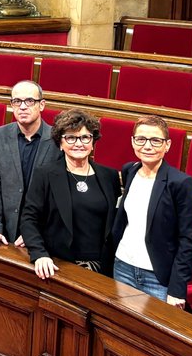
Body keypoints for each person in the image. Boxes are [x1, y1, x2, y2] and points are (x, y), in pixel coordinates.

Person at [112, 115, 192, 307]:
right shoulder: (130, 170)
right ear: (133, 141)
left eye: (156, 140)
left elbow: (189, 240)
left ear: (167, 145)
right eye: (141, 139)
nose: (147, 146)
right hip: (122, 266)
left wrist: (177, 289)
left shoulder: (181, 183)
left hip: (157, 276)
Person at [20, 109, 120, 279]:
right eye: (71, 137)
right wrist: (39, 254)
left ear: (93, 141)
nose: (79, 143)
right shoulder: (46, 174)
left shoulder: (109, 176)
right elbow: (29, 218)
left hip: (102, 270)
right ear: (60, 143)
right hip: (59, 265)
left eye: (85, 137)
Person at [0, 81, 60, 248]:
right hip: (4, 231)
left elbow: (58, 195)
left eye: (29, 101)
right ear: (11, 105)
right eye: (17, 101)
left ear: (42, 105)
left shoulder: (57, 140)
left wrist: (36, 231)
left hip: (42, 233)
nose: (22, 107)